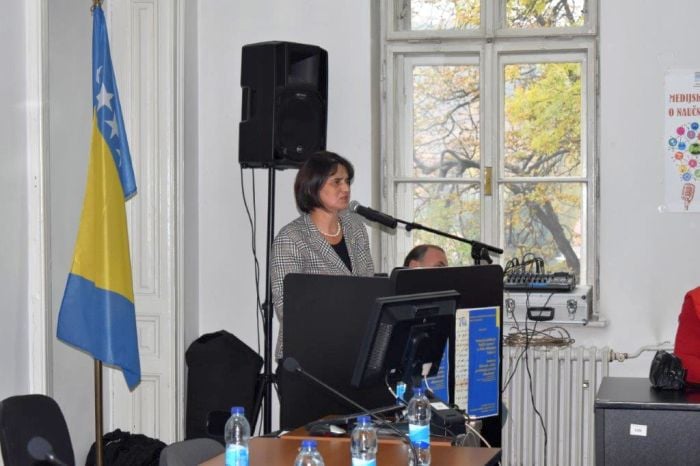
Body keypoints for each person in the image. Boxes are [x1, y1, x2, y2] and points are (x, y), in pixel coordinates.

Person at [270, 151, 375, 360]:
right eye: (336, 182)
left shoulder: (355, 227)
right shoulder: (292, 237)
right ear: (313, 187)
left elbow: (368, 287)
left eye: (347, 181)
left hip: (353, 348)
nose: (346, 189)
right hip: (306, 355)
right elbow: (287, 308)